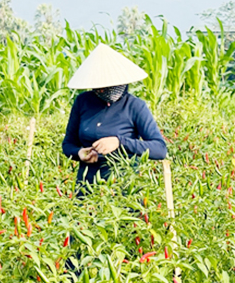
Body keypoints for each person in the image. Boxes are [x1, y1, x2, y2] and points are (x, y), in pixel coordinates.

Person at [62, 44, 167, 196]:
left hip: (123, 189)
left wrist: (119, 142)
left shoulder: (135, 106)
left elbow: (160, 149)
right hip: (88, 188)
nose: (102, 90)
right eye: (98, 86)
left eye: (107, 86)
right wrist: (79, 153)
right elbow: (68, 144)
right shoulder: (83, 102)